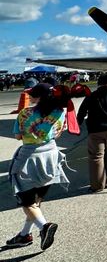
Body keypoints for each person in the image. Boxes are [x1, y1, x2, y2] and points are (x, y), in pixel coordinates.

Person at [6, 83, 69, 250]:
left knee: (27, 201)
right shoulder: (59, 112)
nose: (30, 96)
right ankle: (24, 234)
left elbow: (18, 136)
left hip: (29, 158)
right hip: (51, 156)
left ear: (38, 97)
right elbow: (60, 132)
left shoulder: (25, 113)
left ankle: (44, 227)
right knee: (36, 202)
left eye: (32, 94)